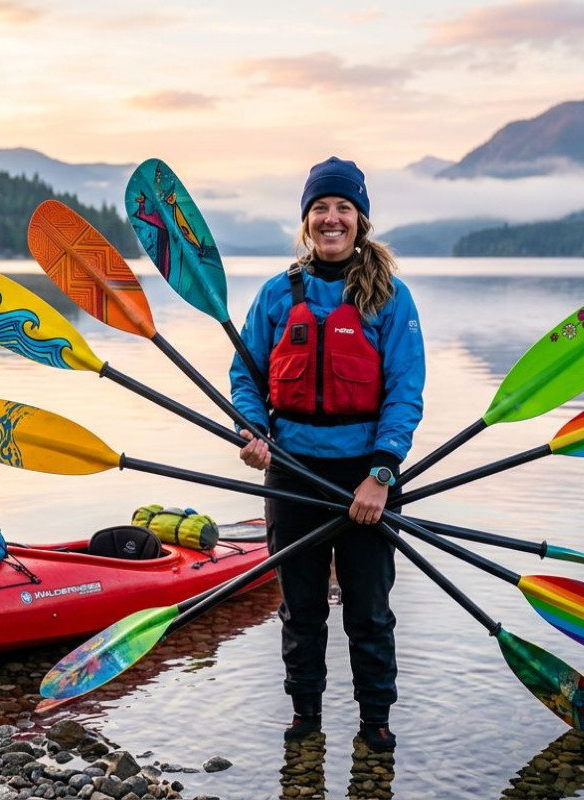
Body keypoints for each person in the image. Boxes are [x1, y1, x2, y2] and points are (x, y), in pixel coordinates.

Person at [230, 156, 425, 753]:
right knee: (302, 608)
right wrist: (253, 430)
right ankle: (306, 718)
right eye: (321, 209)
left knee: (368, 611)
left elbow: (404, 391)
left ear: (360, 220)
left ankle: (375, 723)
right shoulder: (276, 293)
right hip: (291, 474)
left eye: (343, 208)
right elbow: (246, 373)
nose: (332, 219)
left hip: (364, 478)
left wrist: (381, 475)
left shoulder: (390, 297)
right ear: (307, 220)